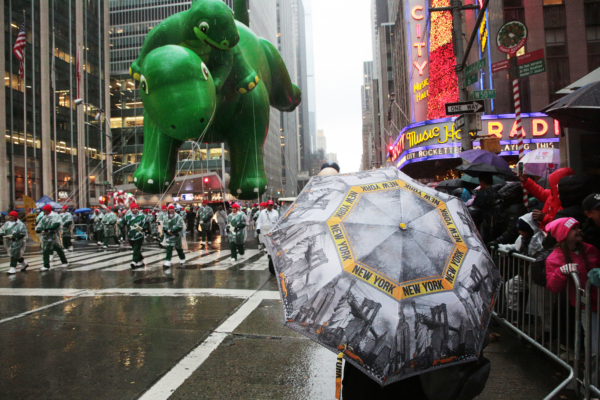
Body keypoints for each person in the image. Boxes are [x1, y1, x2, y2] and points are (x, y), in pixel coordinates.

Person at [488, 182, 528, 247]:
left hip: (507, 244)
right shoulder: (508, 207)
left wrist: (497, 241)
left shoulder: (515, 210)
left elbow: (512, 231)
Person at [36, 204, 69, 271]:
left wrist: (48, 229)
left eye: (45, 210)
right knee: (45, 250)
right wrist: (39, 229)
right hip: (45, 236)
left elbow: (57, 224)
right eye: (43, 210)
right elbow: (39, 224)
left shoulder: (55, 216)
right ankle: (46, 265)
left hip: (54, 236)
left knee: (58, 248)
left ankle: (64, 261)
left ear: (48, 210)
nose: (44, 211)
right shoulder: (44, 217)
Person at [120, 203, 149, 269]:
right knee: (135, 248)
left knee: (137, 247)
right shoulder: (127, 216)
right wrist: (121, 226)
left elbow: (146, 223)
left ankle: (134, 261)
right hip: (130, 235)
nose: (135, 209)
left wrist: (145, 228)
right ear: (131, 209)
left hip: (139, 235)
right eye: (134, 208)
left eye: (136, 208)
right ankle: (141, 260)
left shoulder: (142, 216)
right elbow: (122, 222)